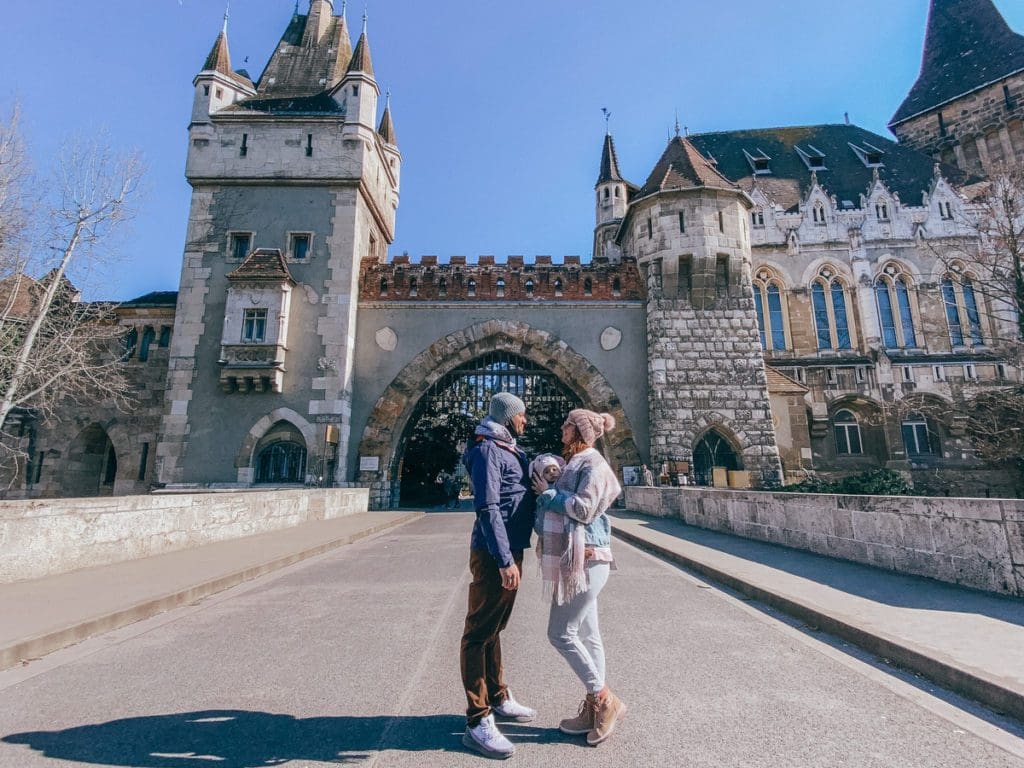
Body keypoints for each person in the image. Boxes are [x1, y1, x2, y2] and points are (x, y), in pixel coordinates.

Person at [532, 408, 626, 747]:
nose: (561, 427)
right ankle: (593, 708)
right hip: (580, 556)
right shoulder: (575, 463)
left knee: (560, 633)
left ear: (580, 431)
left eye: (567, 424)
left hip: (587, 558)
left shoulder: (593, 465)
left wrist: (550, 494)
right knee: (589, 633)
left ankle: (604, 699)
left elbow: (584, 510)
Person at [459, 392, 537, 759]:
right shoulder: (489, 449)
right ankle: (478, 719)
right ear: (508, 417)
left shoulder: (507, 447)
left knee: (494, 628)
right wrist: (505, 559)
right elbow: (488, 505)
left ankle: (499, 696)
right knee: (478, 632)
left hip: (509, 550)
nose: (525, 421)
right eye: (522, 415)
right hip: (495, 553)